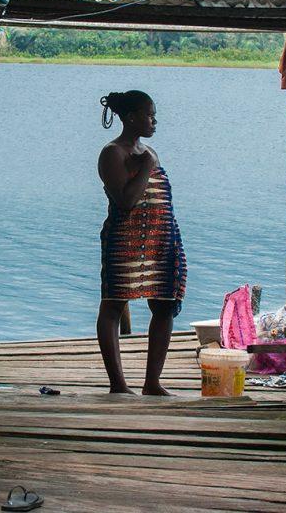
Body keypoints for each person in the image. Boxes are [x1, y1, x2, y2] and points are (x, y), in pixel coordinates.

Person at [97, 91, 187, 395]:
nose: (154, 120)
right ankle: (118, 385)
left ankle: (152, 383)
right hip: (125, 240)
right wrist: (147, 164)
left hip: (160, 240)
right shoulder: (113, 153)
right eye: (149, 114)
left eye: (154, 114)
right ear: (131, 117)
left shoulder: (148, 151)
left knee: (164, 306)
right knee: (114, 305)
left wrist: (171, 238)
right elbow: (125, 201)